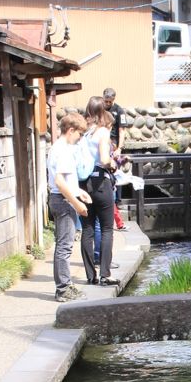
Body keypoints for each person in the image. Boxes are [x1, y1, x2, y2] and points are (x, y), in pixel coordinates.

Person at [47, 112, 91, 303]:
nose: (80, 139)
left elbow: (64, 180)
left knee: (63, 245)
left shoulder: (57, 148)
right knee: (64, 246)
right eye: (79, 135)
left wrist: (78, 191)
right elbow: (59, 182)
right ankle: (63, 289)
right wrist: (77, 203)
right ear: (71, 130)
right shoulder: (63, 150)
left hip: (60, 198)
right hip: (63, 201)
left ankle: (64, 286)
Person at [79, 96, 119, 286]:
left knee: (87, 229)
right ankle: (105, 274)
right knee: (106, 229)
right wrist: (113, 164)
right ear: (103, 111)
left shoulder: (83, 133)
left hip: (83, 184)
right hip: (100, 183)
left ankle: (90, 276)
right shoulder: (102, 132)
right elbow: (104, 159)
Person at [103, 87, 128, 231]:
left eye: (109, 101)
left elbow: (122, 130)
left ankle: (117, 200)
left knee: (115, 174)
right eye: (105, 101)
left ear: (113, 100)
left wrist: (119, 148)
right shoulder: (100, 108)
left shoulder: (119, 110)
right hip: (103, 142)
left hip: (113, 143)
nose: (107, 103)